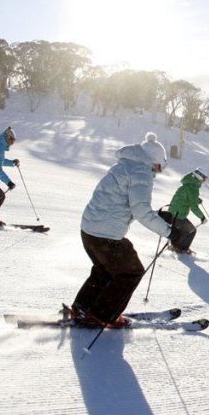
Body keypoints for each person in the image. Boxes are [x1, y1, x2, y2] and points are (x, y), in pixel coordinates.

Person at [69, 132, 182, 328]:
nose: (158, 172)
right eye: (160, 167)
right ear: (155, 161)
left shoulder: (125, 165)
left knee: (103, 271)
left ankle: (82, 307)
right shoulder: (142, 172)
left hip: (89, 230)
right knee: (131, 272)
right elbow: (140, 210)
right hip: (106, 235)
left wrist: (158, 216)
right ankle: (103, 315)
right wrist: (169, 232)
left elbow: (125, 204)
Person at [160, 168, 208, 254]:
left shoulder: (188, 184)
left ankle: (175, 247)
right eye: (204, 178)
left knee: (180, 231)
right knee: (191, 231)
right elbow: (194, 207)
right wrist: (202, 217)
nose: (204, 181)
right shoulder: (193, 188)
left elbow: (186, 198)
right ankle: (181, 249)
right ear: (199, 177)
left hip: (173, 212)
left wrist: (196, 200)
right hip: (178, 215)